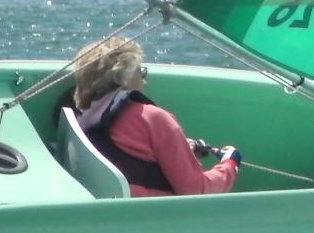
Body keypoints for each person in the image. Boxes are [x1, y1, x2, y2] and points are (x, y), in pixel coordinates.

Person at [70, 34, 239, 198]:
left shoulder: (80, 120)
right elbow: (196, 191)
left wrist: (186, 150)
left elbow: (127, 157)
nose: (145, 80)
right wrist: (230, 164)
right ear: (125, 79)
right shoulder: (153, 119)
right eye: (141, 72)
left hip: (107, 214)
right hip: (155, 219)